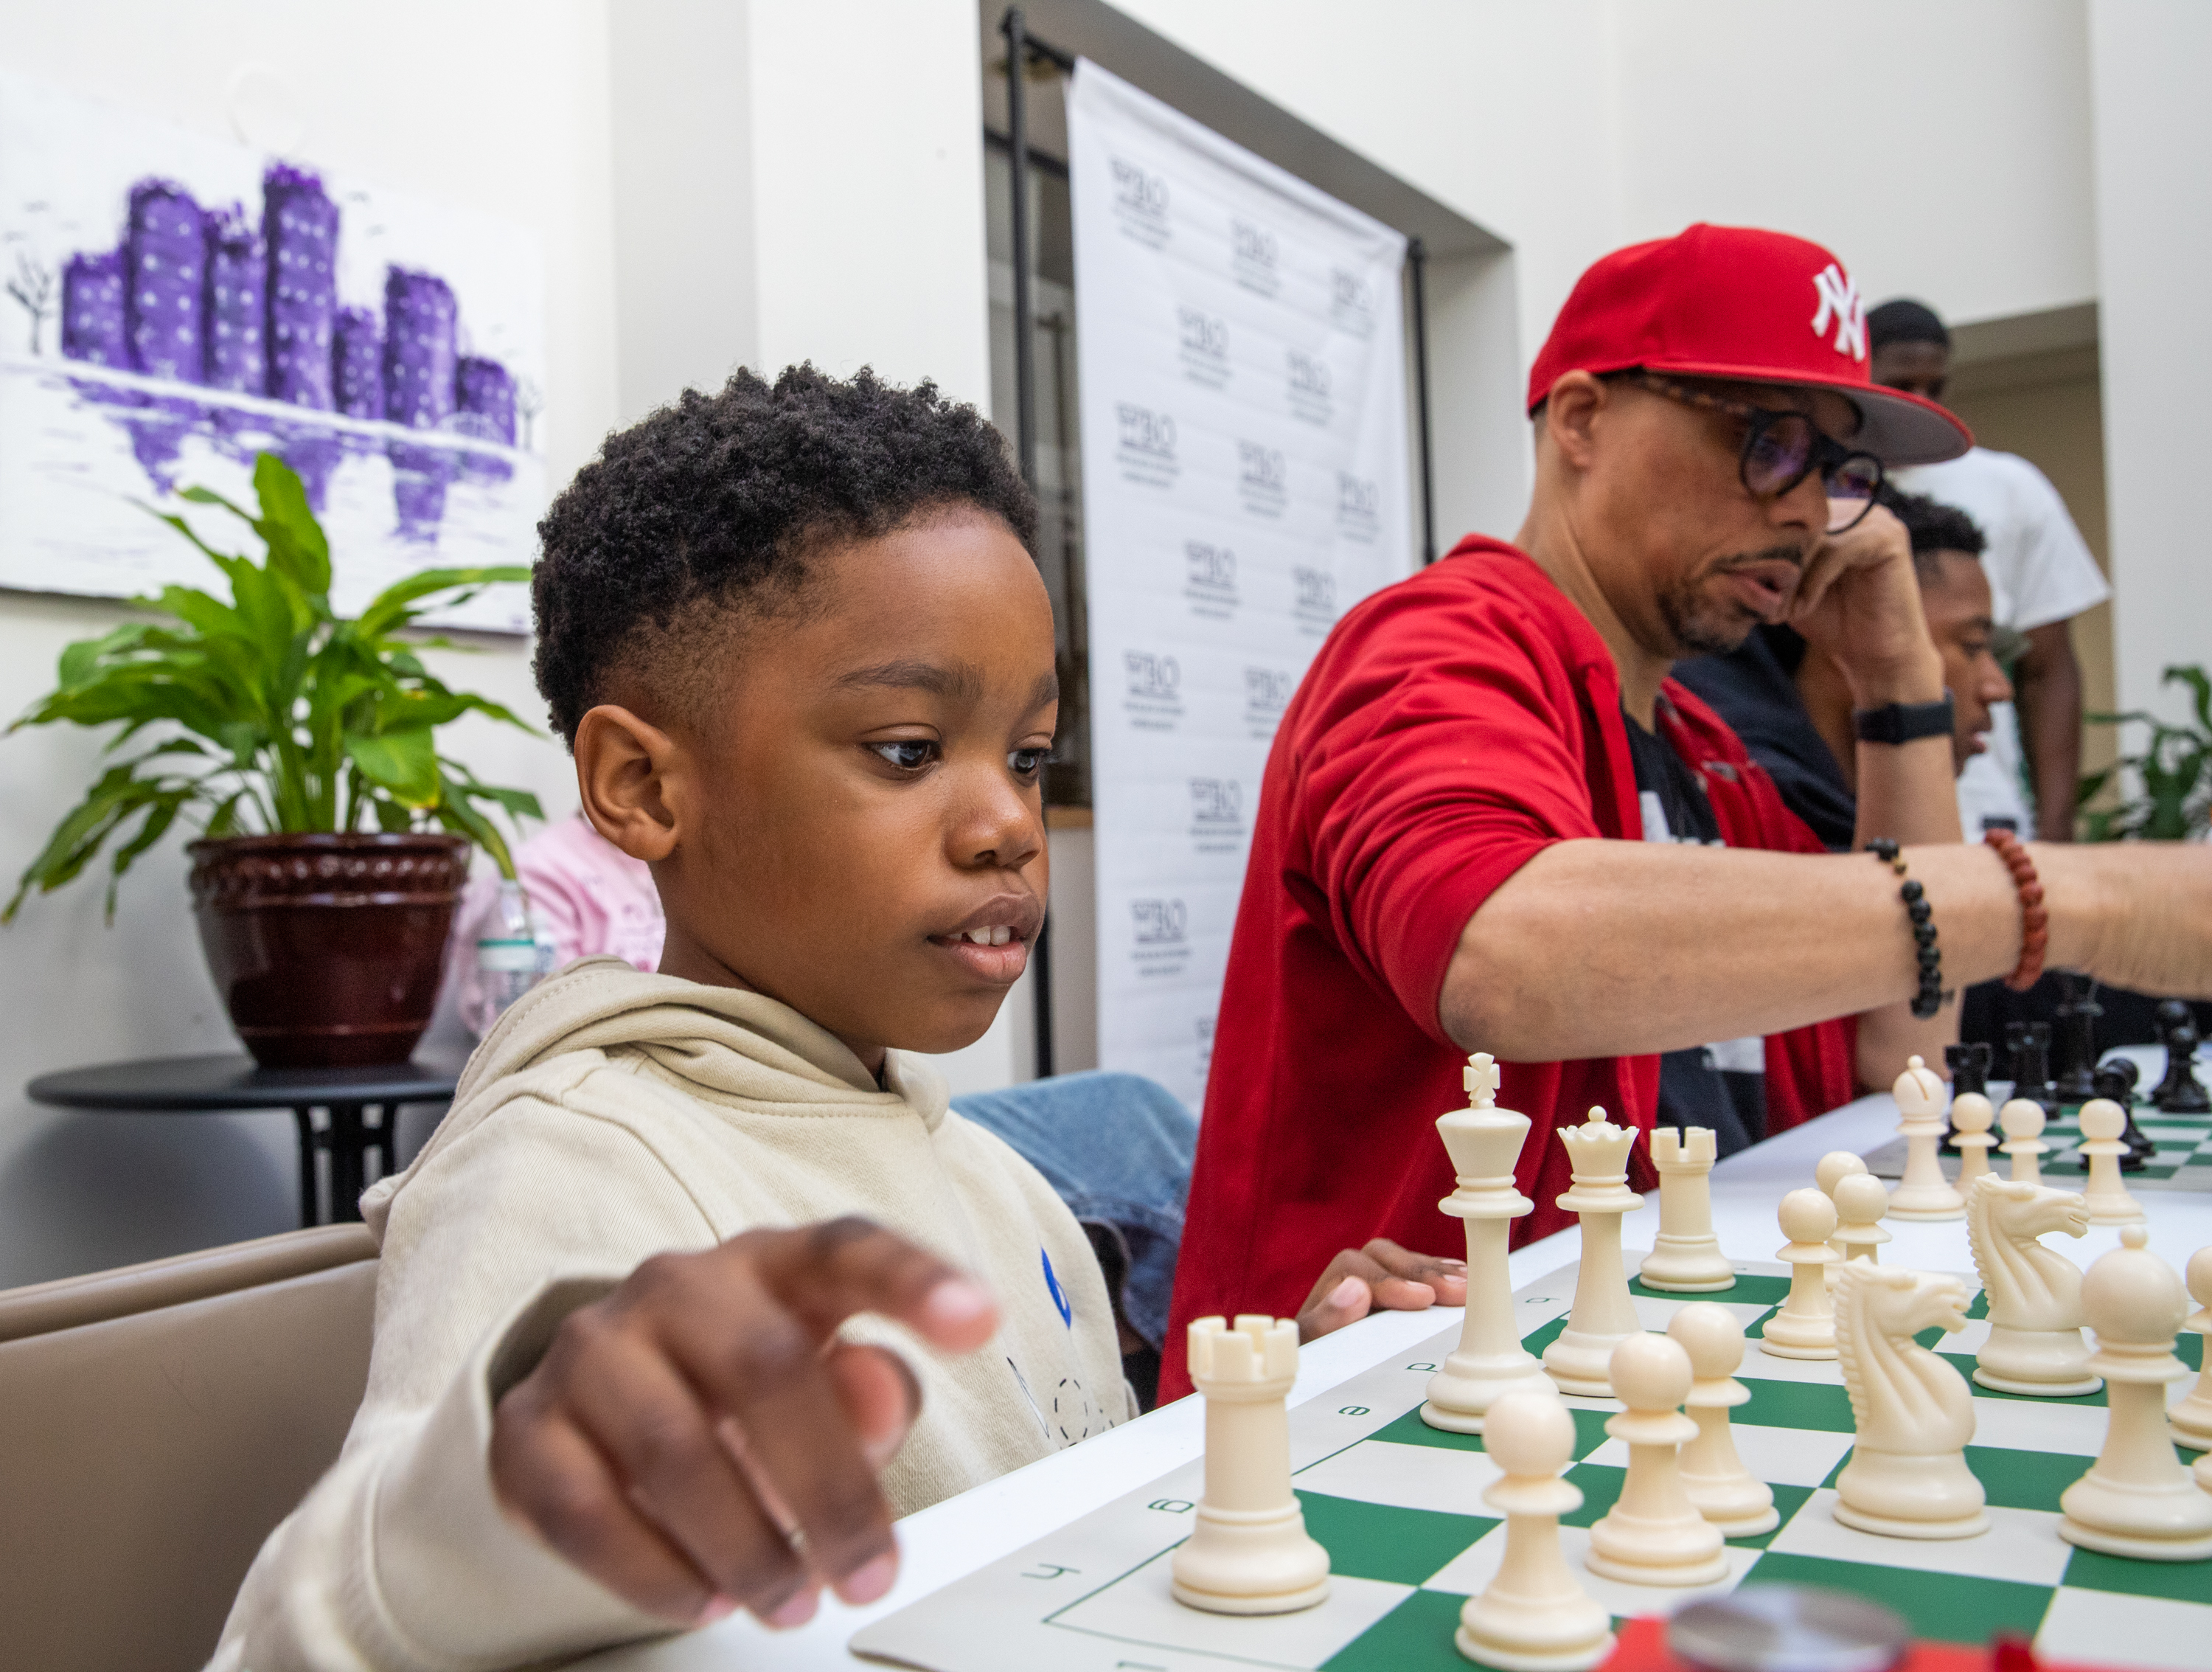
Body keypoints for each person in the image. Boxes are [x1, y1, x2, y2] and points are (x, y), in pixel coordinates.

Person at [214, 368, 1462, 1671]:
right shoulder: (573, 1163)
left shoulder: (997, 1178)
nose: (1009, 825)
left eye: (1029, 756)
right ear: (641, 784)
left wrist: (1286, 1403)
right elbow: (315, 1631)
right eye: (909, 749)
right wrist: (504, 1513)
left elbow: (1057, 1542)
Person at [1164, 224, 2212, 1404]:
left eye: (1841, 473)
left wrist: (1901, 681)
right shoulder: (1436, 643)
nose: (1813, 514)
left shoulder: (1709, 754)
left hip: (1640, 1386)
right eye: (1769, 444)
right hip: (1368, 1423)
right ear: (1580, 420)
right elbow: (1506, 955)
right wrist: (2065, 894)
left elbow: (1901, 1058)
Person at [1867, 298, 2110, 842]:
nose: (1923, 403)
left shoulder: (2011, 488)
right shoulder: (1825, 481)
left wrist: (2055, 827)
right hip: (1860, 786)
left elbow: (2048, 669)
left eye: (1937, 387)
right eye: (1903, 385)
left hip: (1986, 797)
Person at [1674, 488, 2014, 850]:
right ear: (1850, 622)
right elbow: (1920, 897)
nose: (1999, 688)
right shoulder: (1754, 798)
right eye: (1972, 645)